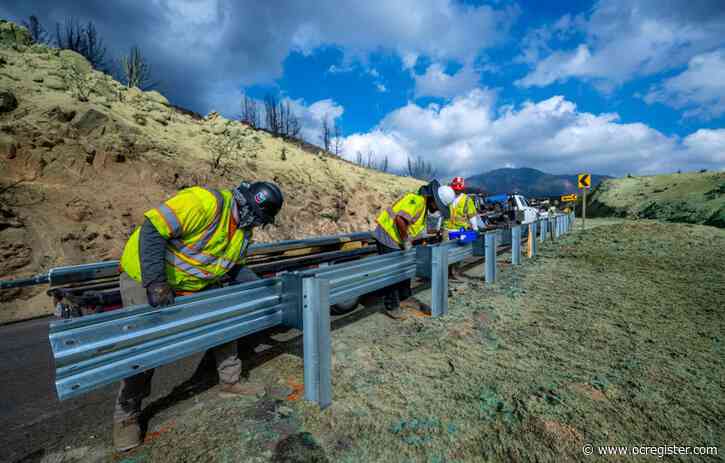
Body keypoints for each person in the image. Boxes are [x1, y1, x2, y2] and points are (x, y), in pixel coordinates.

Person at [113, 181, 284, 452]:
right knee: (144, 347)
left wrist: (263, 291)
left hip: (192, 283)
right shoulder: (204, 203)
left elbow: (235, 269)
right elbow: (152, 230)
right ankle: (127, 415)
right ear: (251, 209)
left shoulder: (242, 232)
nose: (257, 225)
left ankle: (231, 381)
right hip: (145, 276)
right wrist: (156, 282)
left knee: (224, 324)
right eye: (259, 219)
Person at [373, 179, 456, 319]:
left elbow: (413, 226)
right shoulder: (416, 200)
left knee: (405, 267)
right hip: (387, 236)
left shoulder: (423, 207)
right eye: (438, 206)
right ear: (433, 199)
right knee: (393, 271)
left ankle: (405, 297)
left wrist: (434, 233)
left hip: (396, 238)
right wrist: (406, 240)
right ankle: (391, 305)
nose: (437, 209)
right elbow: (399, 220)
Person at [443, 177, 482, 281]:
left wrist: (475, 228)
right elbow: (441, 214)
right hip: (447, 229)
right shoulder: (447, 197)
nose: (456, 191)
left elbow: (472, 215)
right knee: (445, 253)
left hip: (460, 230)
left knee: (458, 253)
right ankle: (444, 274)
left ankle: (454, 272)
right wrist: (438, 228)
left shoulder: (467, 200)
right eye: (455, 189)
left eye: (458, 189)